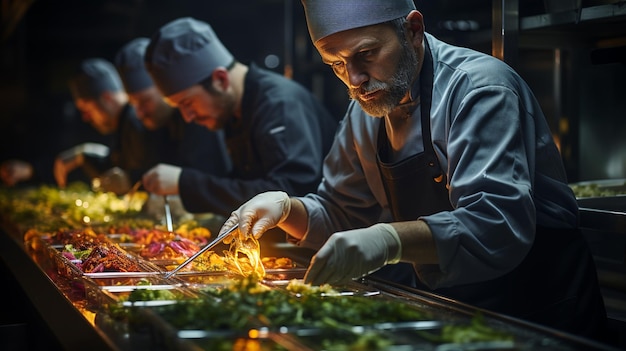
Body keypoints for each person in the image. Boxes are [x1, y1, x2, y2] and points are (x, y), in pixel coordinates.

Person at [219, 0, 609, 342]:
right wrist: (289, 210)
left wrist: (390, 239)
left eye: (366, 54)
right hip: (452, 310)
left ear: (413, 29)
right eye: (335, 64)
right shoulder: (367, 109)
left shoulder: (479, 89)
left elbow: (495, 222)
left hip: (537, 308)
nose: (353, 80)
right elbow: (343, 213)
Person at [140, 17, 339, 218]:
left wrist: (186, 183)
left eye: (187, 103)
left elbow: (289, 194)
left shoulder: (279, 103)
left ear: (220, 79)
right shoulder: (233, 111)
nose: (187, 117)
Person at [114, 37, 231, 180]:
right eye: (133, 104)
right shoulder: (147, 124)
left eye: (144, 101)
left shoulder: (198, 115)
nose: (139, 113)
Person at [55, 58, 159, 194]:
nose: (86, 118)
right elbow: (115, 166)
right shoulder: (123, 124)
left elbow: (145, 176)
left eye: (87, 110)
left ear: (107, 98)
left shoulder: (136, 121)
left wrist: (131, 180)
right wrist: (84, 155)